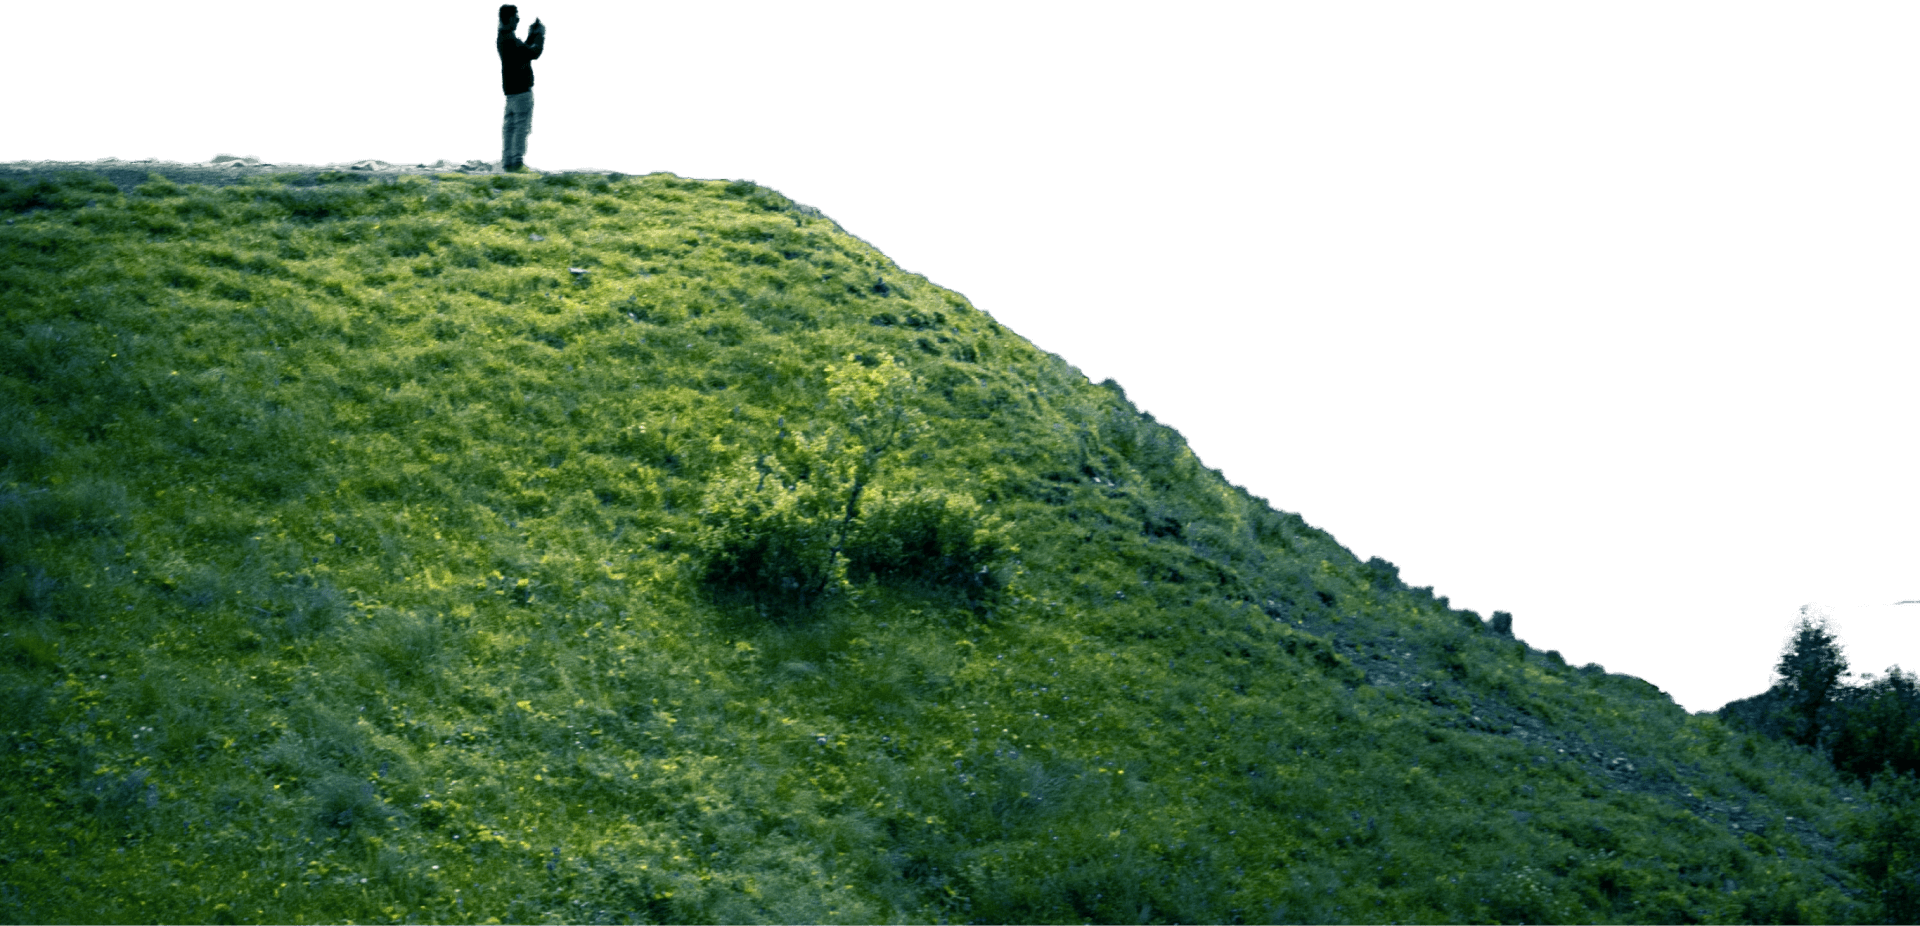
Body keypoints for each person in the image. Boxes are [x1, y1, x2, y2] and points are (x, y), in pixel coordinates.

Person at [497, 5, 546, 173]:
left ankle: (508, 163)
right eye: (516, 16)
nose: (518, 19)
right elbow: (534, 53)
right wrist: (539, 35)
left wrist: (532, 35)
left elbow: (523, 50)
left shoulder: (503, 38)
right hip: (521, 92)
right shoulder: (510, 40)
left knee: (510, 129)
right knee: (520, 127)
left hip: (510, 93)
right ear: (509, 18)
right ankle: (517, 163)